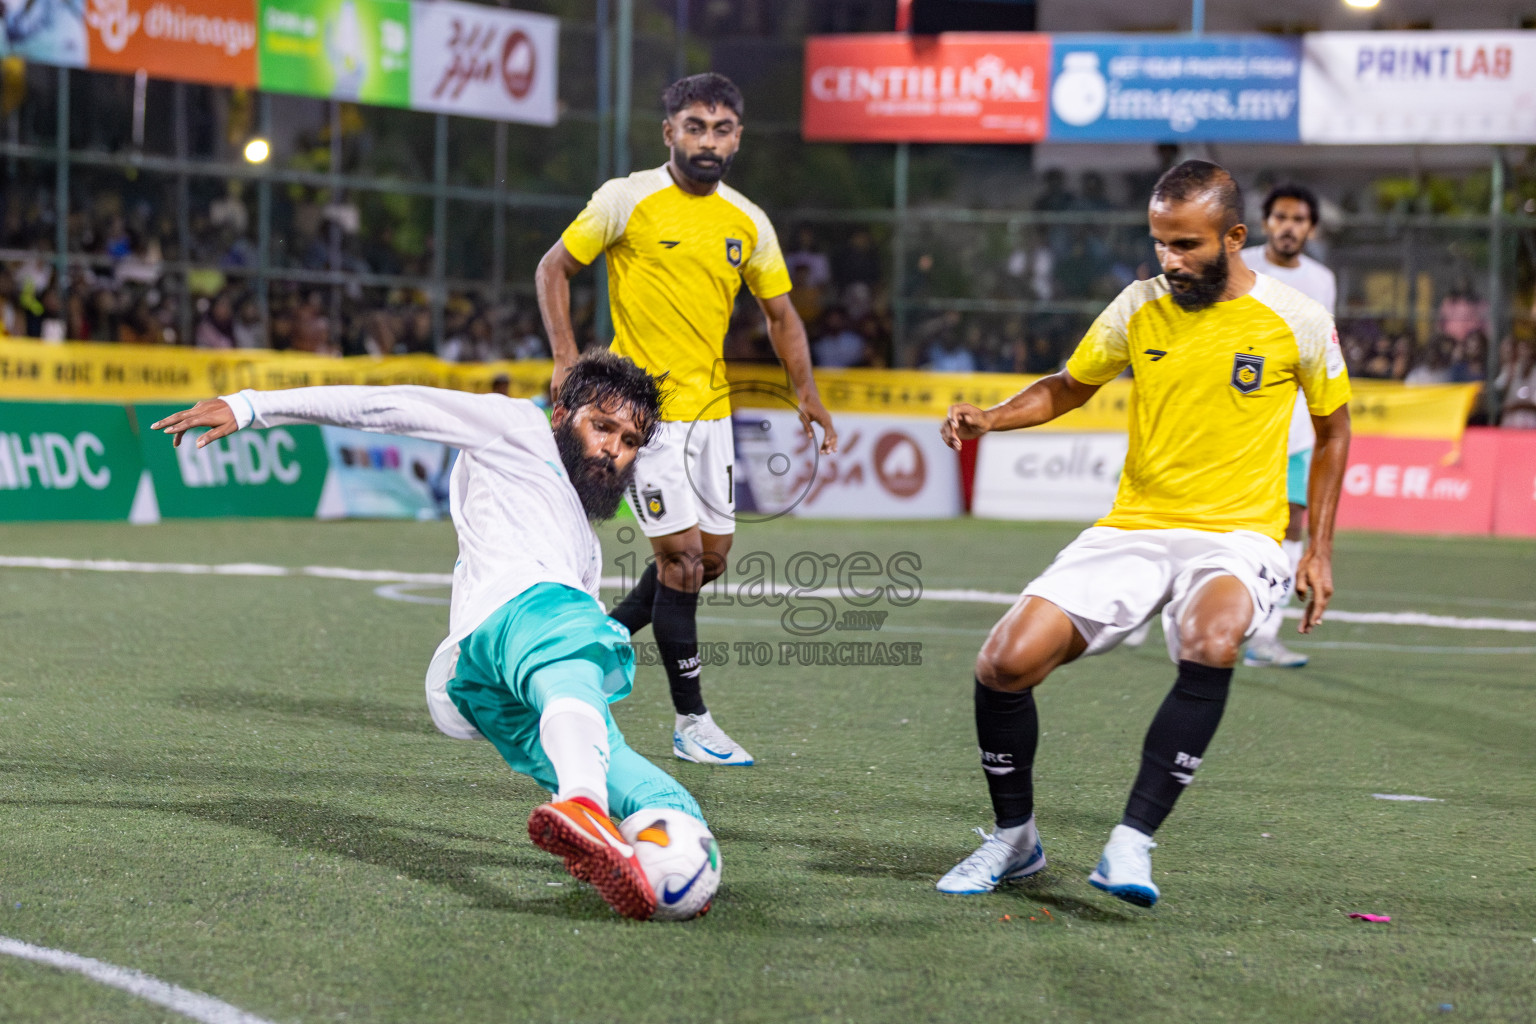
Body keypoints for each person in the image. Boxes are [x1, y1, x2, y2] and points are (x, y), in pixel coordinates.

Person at [148, 352, 705, 921]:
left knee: (656, 795)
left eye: (630, 440)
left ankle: (671, 873)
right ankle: (582, 805)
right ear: (562, 413)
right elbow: (390, 405)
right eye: (602, 426)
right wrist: (251, 406)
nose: (613, 449)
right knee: (574, 642)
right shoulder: (514, 425)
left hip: (491, 685)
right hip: (525, 617)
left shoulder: (585, 546)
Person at [936, 160, 1351, 908]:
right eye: (1161, 242)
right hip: (1135, 525)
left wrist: (1317, 547)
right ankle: (1015, 839)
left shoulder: (1298, 319)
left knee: (1213, 638)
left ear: (1234, 237)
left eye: (1187, 245)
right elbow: (1070, 384)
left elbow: (1333, 430)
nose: (1170, 260)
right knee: (1003, 662)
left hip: (1239, 535)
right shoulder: (1138, 306)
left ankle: (1132, 840)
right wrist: (991, 417)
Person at [537, 73, 837, 768]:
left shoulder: (747, 220)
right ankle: (691, 722)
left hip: (714, 414)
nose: (709, 139)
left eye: (722, 127)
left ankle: (593, 645)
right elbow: (553, 269)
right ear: (668, 131)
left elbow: (782, 314)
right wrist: (563, 359)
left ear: (738, 138)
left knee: (709, 563)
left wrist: (808, 393)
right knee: (677, 563)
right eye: (695, 126)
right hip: (645, 417)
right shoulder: (626, 199)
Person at [1238, 183, 1339, 669]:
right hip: (1241, 421)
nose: (1289, 226)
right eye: (1281, 217)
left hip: (1298, 427)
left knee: (1292, 523)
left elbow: (1322, 351)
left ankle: (1265, 634)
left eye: (1299, 219)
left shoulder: (1322, 281)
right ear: (1266, 222)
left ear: (1311, 228)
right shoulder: (1241, 263)